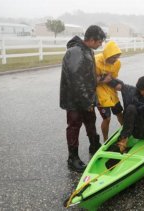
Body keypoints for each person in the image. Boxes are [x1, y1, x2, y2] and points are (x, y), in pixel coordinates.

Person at [59, 25, 106, 173]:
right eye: (99, 41)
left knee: (90, 121)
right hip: (74, 99)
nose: (100, 44)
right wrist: (87, 102)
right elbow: (76, 80)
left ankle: (94, 145)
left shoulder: (86, 50)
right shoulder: (76, 52)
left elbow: (87, 78)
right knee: (74, 126)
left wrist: (90, 99)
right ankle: (72, 158)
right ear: (91, 40)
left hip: (86, 97)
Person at [94, 41, 124, 142]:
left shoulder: (117, 63)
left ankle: (126, 134)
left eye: (117, 57)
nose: (116, 60)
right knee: (107, 118)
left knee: (120, 113)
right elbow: (89, 80)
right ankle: (105, 140)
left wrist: (117, 85)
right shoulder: (95, 61)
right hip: (100, 95)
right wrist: (103, 80)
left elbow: (112, 78)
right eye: (114, 57)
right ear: (108, 55)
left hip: (112, 93)